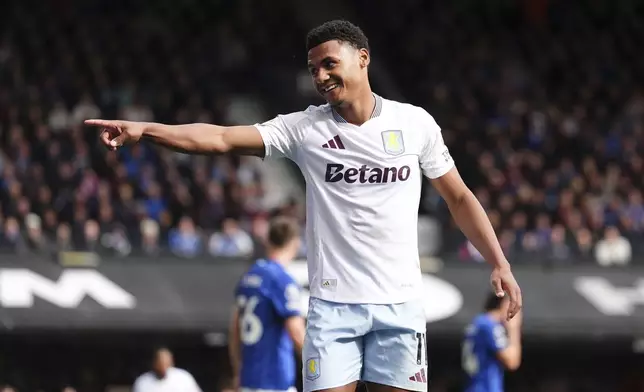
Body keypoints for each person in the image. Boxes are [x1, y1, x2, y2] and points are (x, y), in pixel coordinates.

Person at [86, 19, 522, 392]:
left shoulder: (415, 124)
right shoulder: (305, 129)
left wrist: (498, 261)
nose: (321, 75)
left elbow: (460, 197)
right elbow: (219, 138)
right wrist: (146, 129)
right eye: (314, 68)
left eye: (330, 63)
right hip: (333, 309)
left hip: (402, 305)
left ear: (363, 58)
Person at [228, 216, 305, 392]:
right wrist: (318, 365)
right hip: (275, 381)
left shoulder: (248, 277)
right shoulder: (282, 280)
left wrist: (238, 371)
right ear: (295, 243)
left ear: (268, 241)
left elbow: (235, 328)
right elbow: (296, 330)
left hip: (248, 380)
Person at [462, 293, 523, 392]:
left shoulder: (476, 323)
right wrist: (514, 328)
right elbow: (512, 362)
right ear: (505, 305)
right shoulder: (490, 325)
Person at [132, 347, 202, 392]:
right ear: (154, 364)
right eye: (160, 364)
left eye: (166, 364)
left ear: (171, 362)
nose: (163, 368)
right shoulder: (143, 381)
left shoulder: (183, 378)